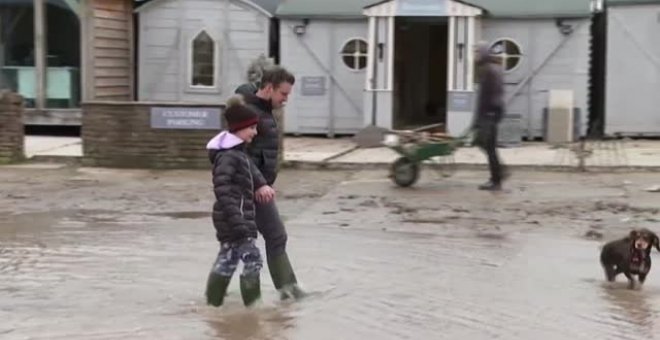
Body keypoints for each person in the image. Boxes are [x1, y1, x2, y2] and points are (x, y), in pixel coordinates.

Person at [236, 66, 307, 300]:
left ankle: (286, 290)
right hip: (247, 188)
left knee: (271, 238)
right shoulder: (248, 114)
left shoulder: (261, 108)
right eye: (283, 94)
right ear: (268, 88)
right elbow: (237, 154)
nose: (286, 99)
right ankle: (262, 298)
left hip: (257, 188)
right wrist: (259, 184)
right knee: (257, 241)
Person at [204, 95, 273, 307]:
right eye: (251, 128)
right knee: (253, 259)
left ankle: (212, 305)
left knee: (228, 260)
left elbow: (251, 172)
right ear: (239, 129)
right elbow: (222, 191)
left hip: (233, 220)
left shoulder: (237, 153)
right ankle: (254, 308)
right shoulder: (229, 156)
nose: (255, 132)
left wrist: (261, 184)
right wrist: (240, 225)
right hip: (235, 221)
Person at [473, 42, 508, 191]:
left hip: (488, 114)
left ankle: (497, 180)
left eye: (477, 52)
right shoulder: (494, 69)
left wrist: (481, 118)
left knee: (487, 146)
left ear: (484, 53)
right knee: (487, 146)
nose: (475, 56)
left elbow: (487, 97)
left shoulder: (488, 71)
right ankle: (498, 174)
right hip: (492, 113)